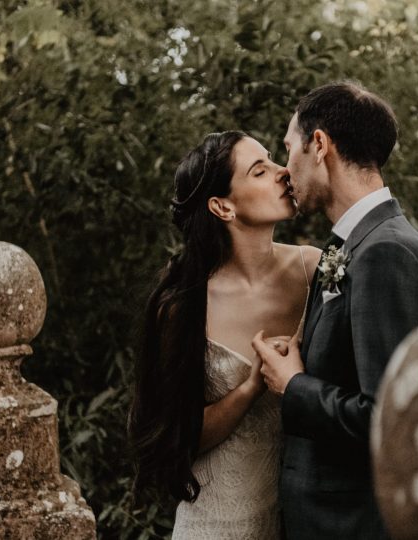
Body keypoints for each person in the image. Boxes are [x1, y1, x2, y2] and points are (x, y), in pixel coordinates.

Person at [252, 81, 418, 539]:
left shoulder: (386, 252)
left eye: (289, 149)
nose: (286, 170)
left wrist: (293, 385)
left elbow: (390, 417)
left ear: (319, 145)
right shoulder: (359, 242)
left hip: (351, 525)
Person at [128, 131, 320, 539]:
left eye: (273, 160)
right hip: (217, 525)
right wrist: (251, 387)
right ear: (223, 206)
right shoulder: (183, 305)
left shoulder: (314, 270)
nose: (283, 172)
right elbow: (176, 437)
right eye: (260, 170)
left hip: (300, 522)